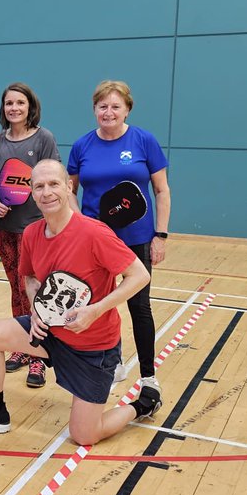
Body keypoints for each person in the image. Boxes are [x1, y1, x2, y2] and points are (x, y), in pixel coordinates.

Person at [0, 160, 161, 447]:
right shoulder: (32, 233)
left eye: (53, 184)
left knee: (84, 435)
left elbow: (140, 275)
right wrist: (36, 311)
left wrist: (96, 310)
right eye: (39, 186)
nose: (46, 192)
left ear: (69, 187)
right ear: (32, 193)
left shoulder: (95, 233)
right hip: (50, 333)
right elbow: (31, 278)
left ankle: (143, 405)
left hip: (93, 348)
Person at [67, 80, 171, 392]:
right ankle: (112, 363)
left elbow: (162, 190)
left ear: (127, 110)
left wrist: (161, 235)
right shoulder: (82, 146)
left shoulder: (144, 140)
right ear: (94, 109)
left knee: (139, 305)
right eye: (103, 106)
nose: (108, 112)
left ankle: (148, 374)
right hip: (96, 239)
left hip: (137, 237)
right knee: (99, 303)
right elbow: (70, 190)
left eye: (115, 106)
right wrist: (79, 223)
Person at [0, 82, 60, 388]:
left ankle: (39, 355)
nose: (14, 108)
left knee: (36, 290)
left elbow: (53, 179)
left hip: (35, 229)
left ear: (30, 107)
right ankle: (22, 345)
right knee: (16, 288)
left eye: (20, 103)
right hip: (5, 227)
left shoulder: (44, 138)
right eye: (9, 103)